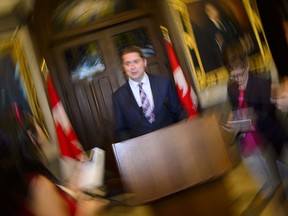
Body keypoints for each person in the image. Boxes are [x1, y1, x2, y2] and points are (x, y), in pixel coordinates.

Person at [0, 105, 108, 216]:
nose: (42, 128)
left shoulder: (19, 181)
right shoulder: (39, 186)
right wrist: (88, 211)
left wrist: (71, 189)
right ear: (31, 136)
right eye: (37, 124)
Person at [222, 41, 288, 202]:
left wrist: (250, 119)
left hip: (268, 132)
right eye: (233, 75)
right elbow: (236, 110)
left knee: (283, 169)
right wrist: (233, 119)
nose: (237, 79)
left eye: (240, 74)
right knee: (252, 161)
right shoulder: (231, 89)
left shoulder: (262, 83)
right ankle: (269, 187)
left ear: (248, 66)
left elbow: (268, 115)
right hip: (247, 135)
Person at [112, 45, 187, 142]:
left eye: (136, 61)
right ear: (123, 67)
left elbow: (180, 112)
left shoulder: (164, 83)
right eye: (127, 63)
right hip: (143, 151)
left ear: (144, 62)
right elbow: (121, 130)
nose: (132, 67)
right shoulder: (118, 96)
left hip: (173, 141)